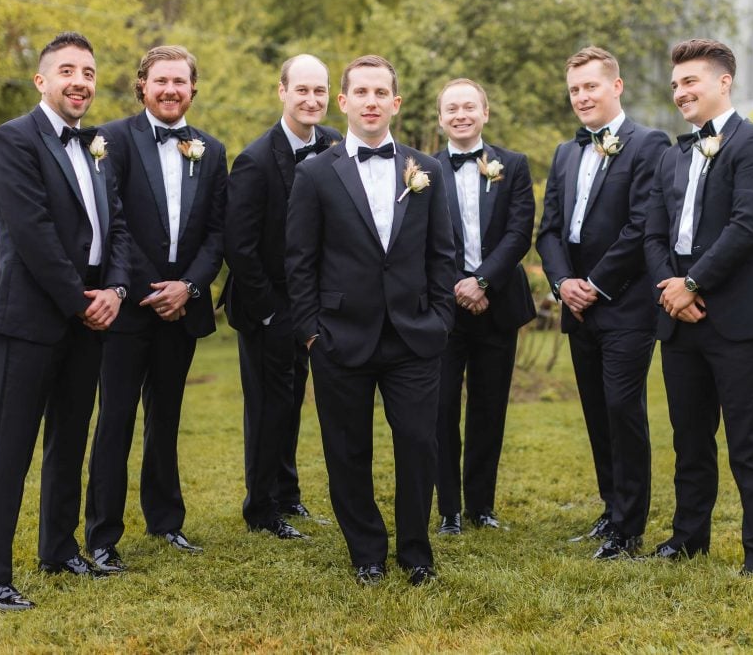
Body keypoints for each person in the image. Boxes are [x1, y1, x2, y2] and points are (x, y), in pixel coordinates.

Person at [0, 31, 129, 610]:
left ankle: (59, 550)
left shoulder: (97, 146)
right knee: (11, 445)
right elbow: (33, 235)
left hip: (89, 316)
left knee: (70, 437)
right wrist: (83, 302)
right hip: (31, 316)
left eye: (87, 72)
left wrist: (115, 289)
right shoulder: (13, 140)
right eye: (67, 71)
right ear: (42, 80)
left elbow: (119, 229)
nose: (79, 81)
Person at [285, 55, 456, 586]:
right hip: (340, 336)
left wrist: (440, 319)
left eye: (381, 93)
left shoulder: (426, 169)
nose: (371, 101)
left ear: (395, 103)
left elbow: (443, 254)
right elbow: (299, 260)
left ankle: (415, 551)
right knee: (346, 449)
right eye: (361, 92)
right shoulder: (315, 172)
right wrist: (312, 331)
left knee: (418, 446)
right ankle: (366, 552)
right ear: (344, 102)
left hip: (413, 335)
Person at [643, 38, 753, 576]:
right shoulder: (672, 155)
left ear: (723, 81)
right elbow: (653, 232)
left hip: (740, 318)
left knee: (749, 440)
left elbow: (747, 227)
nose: (680, 92)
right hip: (679, 319)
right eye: (676, 84)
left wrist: (695, 284)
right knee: (689, 438)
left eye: (691, 81)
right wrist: (670, 288)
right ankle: (688, 540)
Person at [84, 45, 227, 572]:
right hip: (126, 306)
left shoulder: (211, 151)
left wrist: (187, 287)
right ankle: (101, 536)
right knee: (116, 419)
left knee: (166, 418)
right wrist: (151, 287)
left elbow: (217, 232)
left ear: (194, 88)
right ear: (142, 85)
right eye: (160, 80)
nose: (171, 90)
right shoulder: (113, 139)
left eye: (180, 82)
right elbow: (112, 219)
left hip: (181, 309)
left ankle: (166, 521)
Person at [536, 46, 669, 559]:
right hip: (576, 306)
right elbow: (549, 229)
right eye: (574, 89)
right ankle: (611, 508)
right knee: (595, 410)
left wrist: (594, 281)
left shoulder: (648, 143)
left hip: (627, 304)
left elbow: (642, 225)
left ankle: (628, 528)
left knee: (622, 408)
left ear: (616, 86)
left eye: (590, 86)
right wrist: (563, 282)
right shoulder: (566, 152)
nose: (581, 97)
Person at [223, 54, 341, 540]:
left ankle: (288, 495)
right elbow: (241, 248)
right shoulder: (254, 160)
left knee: (294, 401)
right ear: (282, 91)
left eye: (319, 91)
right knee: (269, 405)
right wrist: (271, 312)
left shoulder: (336, 145)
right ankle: (261, 508)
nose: (311, 99)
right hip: (266, 305)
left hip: (315, 302)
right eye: (302, 90)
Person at [432, 78, 536, 536]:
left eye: (469, 106)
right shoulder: (423, 169)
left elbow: (519, 232)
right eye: (451, 108)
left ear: (485, 112)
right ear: (440, 118)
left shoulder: (512, 166)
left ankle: (481, 507)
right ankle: (449, 511)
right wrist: (458, 285)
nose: (461, 114)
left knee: (489, 409)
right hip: (443, 309)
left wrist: (482, 281)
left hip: (499, 304)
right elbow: (423, 241)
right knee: (441, 411)